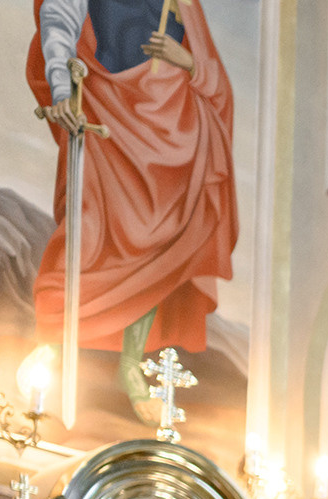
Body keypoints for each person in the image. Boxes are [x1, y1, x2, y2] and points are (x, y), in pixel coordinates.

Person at [32, 0, 237, 406]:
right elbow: (59, 18)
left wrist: (189, 63)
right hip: (107, 110)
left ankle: (131, 362)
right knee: (87, 230)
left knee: (161, 245)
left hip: (173, 128)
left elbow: (217, 83)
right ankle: (53, 341)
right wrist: (60, 87)